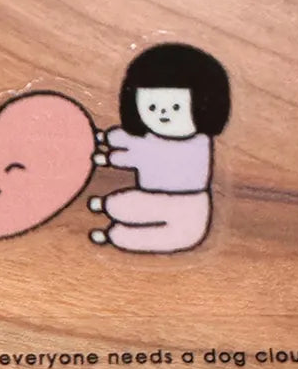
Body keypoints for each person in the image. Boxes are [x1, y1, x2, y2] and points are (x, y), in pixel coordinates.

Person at [89, 42, 230, 253]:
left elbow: (140, 155)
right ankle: (108, 217)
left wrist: (109, 159)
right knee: (123, 206)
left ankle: (112, 233)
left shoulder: (197, 145)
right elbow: (134, 143)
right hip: (157, 199)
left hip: (190, 205)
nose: (163, 113)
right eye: (152, 107)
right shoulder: (154, 139)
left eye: (176, 107)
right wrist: (107, 139)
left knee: (141, 221)